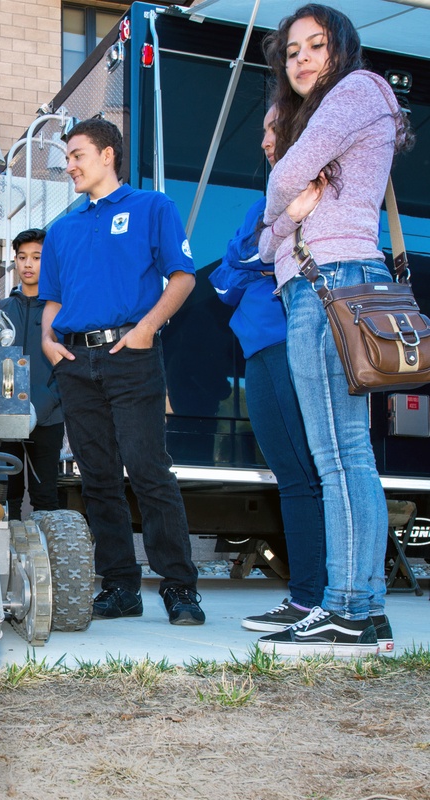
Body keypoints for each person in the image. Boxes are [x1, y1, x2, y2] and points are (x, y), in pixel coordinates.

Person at [255, 4, 413, 656]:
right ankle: (363, 609)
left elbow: (283, 183)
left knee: (339, 458)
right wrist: (285, 212)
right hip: (327, 283)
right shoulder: (329, 108)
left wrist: (285, 204)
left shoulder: (355, 90)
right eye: (291, 50)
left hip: (330, 284)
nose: (301, 59)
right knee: (347, 456)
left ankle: (347, 608)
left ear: (341, 48)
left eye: (314, 45)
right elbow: (267, 242)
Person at [38, 116, 205, 626]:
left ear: (108, 155)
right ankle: (119, 586)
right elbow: (53, 299)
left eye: (77, 155)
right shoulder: (62, 228)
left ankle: (179, 587)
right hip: (74, 361)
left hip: (130, 355)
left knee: (148, 469)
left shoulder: (153, 207)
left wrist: (147, 329)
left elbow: (182, 277)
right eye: (67, 158)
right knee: (97, 479)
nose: (69, 166)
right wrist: (47, 341)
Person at [209, 105, 328, 632]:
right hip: (265, 348)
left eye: (270, 130)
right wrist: (255, 254)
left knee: (302, 477)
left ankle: (309, 600)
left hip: (283, 344)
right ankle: (319, 597)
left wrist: (254, 255)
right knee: (305, 475)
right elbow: (227, 272)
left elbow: (249, 259)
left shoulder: (310, 193)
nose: (262, 141)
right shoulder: (269, 201)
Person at [0, 229, 64, 520]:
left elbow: (69, 364)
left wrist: (45, 401)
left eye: (36, 258)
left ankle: (45, 559)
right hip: (4, 416)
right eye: (22, 257)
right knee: (3, 494)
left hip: (47, 417)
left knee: (45, 495)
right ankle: (4, 555)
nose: (28, 264)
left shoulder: (61, 310)